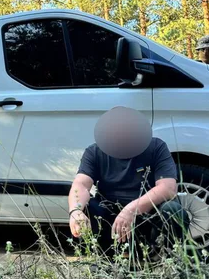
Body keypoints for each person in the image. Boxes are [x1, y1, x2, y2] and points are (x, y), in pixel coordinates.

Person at [67, 106, 190, 258]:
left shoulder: (157, 147)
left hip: (147, 214)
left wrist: (131, 209)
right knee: (86, 209)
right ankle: (102, 259)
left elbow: (168, 188)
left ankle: (167, 262)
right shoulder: (94, 152)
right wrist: (75, 210)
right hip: (110, 215)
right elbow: (81, 184)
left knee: (173, 210)